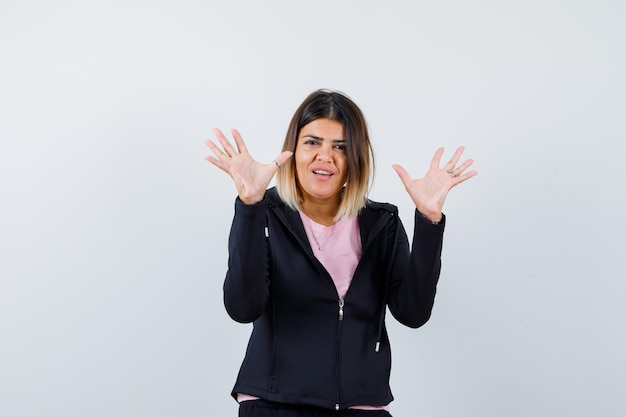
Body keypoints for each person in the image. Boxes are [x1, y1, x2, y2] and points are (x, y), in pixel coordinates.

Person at [205, 89, 477, 417]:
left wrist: (429, 221)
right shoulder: (265, 214)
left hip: (362, 407)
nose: (325, 156)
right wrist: (250, 205)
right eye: (312, 142)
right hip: (275, 405)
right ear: (293, 150)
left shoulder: (381, 222)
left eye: (340, 147)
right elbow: (243, 307)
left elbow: (413, 313)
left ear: (355, 159)